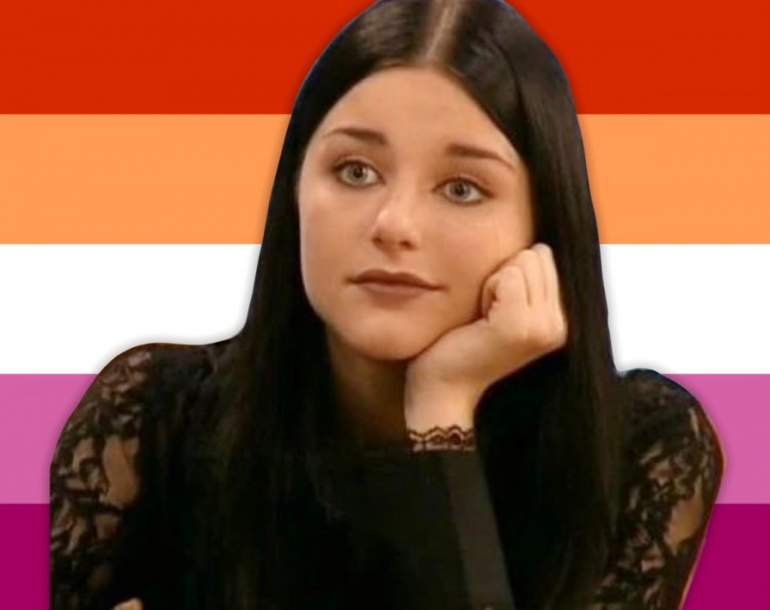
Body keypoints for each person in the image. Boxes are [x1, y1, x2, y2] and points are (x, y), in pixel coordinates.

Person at [49, 0, 725, 609]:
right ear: (295, 192)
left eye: (462, 188)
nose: (394, 223)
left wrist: (441, 414)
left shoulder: (644, 447)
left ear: (542, 226)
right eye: (355, 171)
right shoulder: (150, 417)